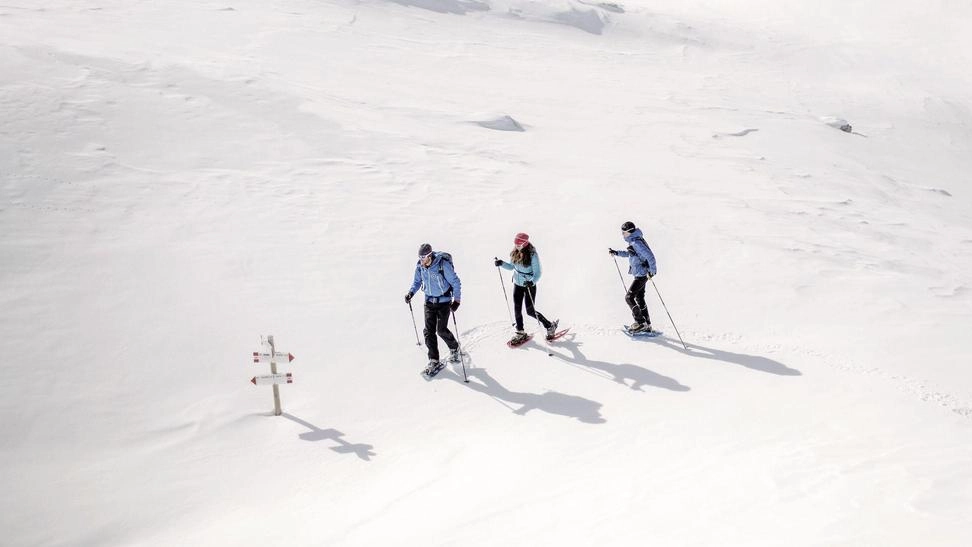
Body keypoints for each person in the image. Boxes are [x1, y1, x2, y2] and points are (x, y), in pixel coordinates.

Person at [494, 232, 559, 344]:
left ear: (525, 244)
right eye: (516, 245)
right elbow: (511, 267)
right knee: (517, 308)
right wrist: (502, 263)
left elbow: (538, 273)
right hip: (518, 284)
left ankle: (549, 326)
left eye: (519, 245)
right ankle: (520, 331)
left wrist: (531, 282)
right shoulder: (515, 252)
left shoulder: (532, 254)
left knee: (530, 311)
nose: (517, 247)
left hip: (529, 285)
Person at [406, 243, 462, 370]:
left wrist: (456, 301)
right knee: (428, 331)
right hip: (429, 302)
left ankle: (454, 348)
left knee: (441, 330)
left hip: (444, 301)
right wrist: (410, 293)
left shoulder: (443, 265)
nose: (421, 260)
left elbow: (455, 282)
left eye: (423, 257)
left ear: (429, 255)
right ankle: (434, 359)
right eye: (420, 257)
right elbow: (417, 282)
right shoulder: (420, 267)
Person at [609, 221, 657, 333]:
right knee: (640, 298)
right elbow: (629, 254)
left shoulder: (636, 243)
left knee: (629, 298)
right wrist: (616, 253)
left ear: (630, 232)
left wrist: (652, 271)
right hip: (641, 274)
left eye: (624, 232)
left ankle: (640, 323)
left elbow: (651, 257)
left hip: (641, 275)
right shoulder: (635, 241)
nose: (623, 235)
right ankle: (647, 324)